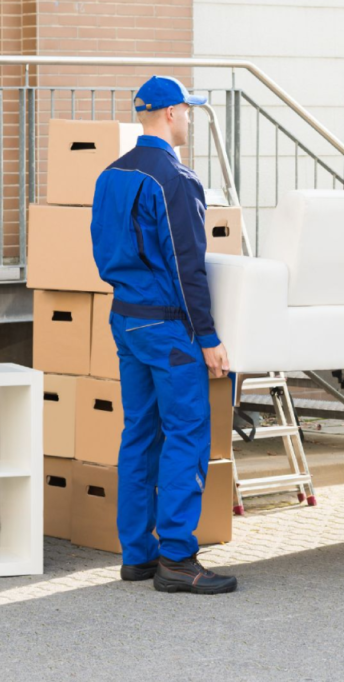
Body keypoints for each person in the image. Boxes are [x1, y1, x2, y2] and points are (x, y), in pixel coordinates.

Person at [90, 75, 237, 594]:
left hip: (126, 317)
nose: (191, 119)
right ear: (172, 112)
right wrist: (209, 336)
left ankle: (137, 554)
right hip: (169, 326)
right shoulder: (174, 177)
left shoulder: (110, 174)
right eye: (189, 110)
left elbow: (102, 250)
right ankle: (177, 557)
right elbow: (187, 265)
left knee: (139, 433)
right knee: (187, 434)